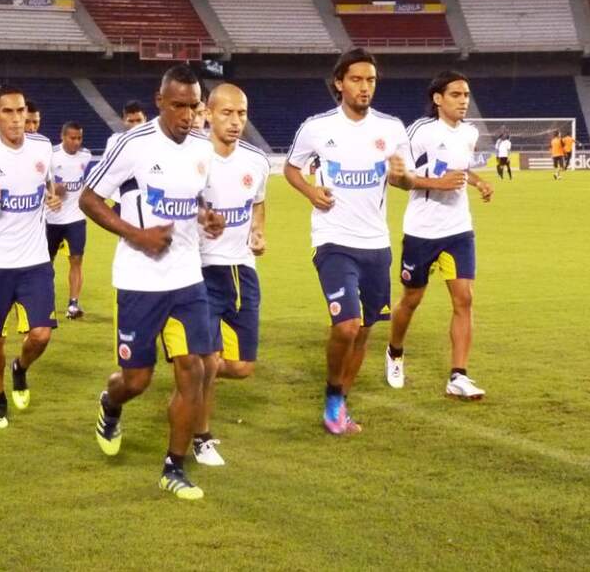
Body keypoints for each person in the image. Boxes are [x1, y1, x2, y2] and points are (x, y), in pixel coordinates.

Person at [80, 64, 224, 500]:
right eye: (178, 105)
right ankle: (111, 404)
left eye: (193, 106)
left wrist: (207, 218)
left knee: (193, 369)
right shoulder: (132, 145)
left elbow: (197, 198)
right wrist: (137, 235)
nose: (186, 114)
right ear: (160, 101)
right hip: (140, 280)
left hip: (186, 277)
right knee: (136, 380)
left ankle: (173, 467)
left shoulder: (203, 148)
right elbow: (88, 198)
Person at [283, 48, 415, 436]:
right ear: (339, 82)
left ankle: (340, 403)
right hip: (333, 239)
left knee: (365, 328)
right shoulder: (317, 127)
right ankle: (332, 397)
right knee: (346, 325)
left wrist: (400, 175)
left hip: (376, 243)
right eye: (356, 79)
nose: (364, 87)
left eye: (370, 80)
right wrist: (310, 191)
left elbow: (404, 180)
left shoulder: (391, 128)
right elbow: (291, 169)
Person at [385, 71, 494, 399]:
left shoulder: (470, 133)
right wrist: (437, 184)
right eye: (456, 95)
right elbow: (397, 178)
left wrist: (478, 182)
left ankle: (458, 376)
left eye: (466, 95)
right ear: (438, 99)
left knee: (465, 299)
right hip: (422, 232)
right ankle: (394, 351)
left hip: (459, 229)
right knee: (412, 299)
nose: (464, 101)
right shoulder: (420, 132)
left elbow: (458, 168)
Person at [0, 84, 62, 428]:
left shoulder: (44, 146)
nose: (17, 119)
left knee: (41, 334)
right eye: (8, 112)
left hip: (35, 261)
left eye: (21, 112)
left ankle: (20, 368)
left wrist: (54, 198)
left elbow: (50, 184)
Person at [190, 83, 269, 467]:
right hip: (199, 271)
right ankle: (201, 438)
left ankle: (187, 371)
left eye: (241, 113)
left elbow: (258, 204)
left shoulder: (255, 162)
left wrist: (257, 232)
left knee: (241, 367)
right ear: (207, 113)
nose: (236, 121)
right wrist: (201, 217)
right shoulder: (192, 158)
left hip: (242, 272)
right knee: (208, 358)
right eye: (227, 113)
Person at [46, 121, 92, 319]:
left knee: (77, 259)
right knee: (46, 262)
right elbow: (40, 182)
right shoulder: (51, 155)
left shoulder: (86, 156)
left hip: (76, 217)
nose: (76, 142)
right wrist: (54, 189)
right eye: (72, 138)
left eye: (79, 138)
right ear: (63, 137)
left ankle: (73, 304)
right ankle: (44, 299)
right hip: (51, 218)